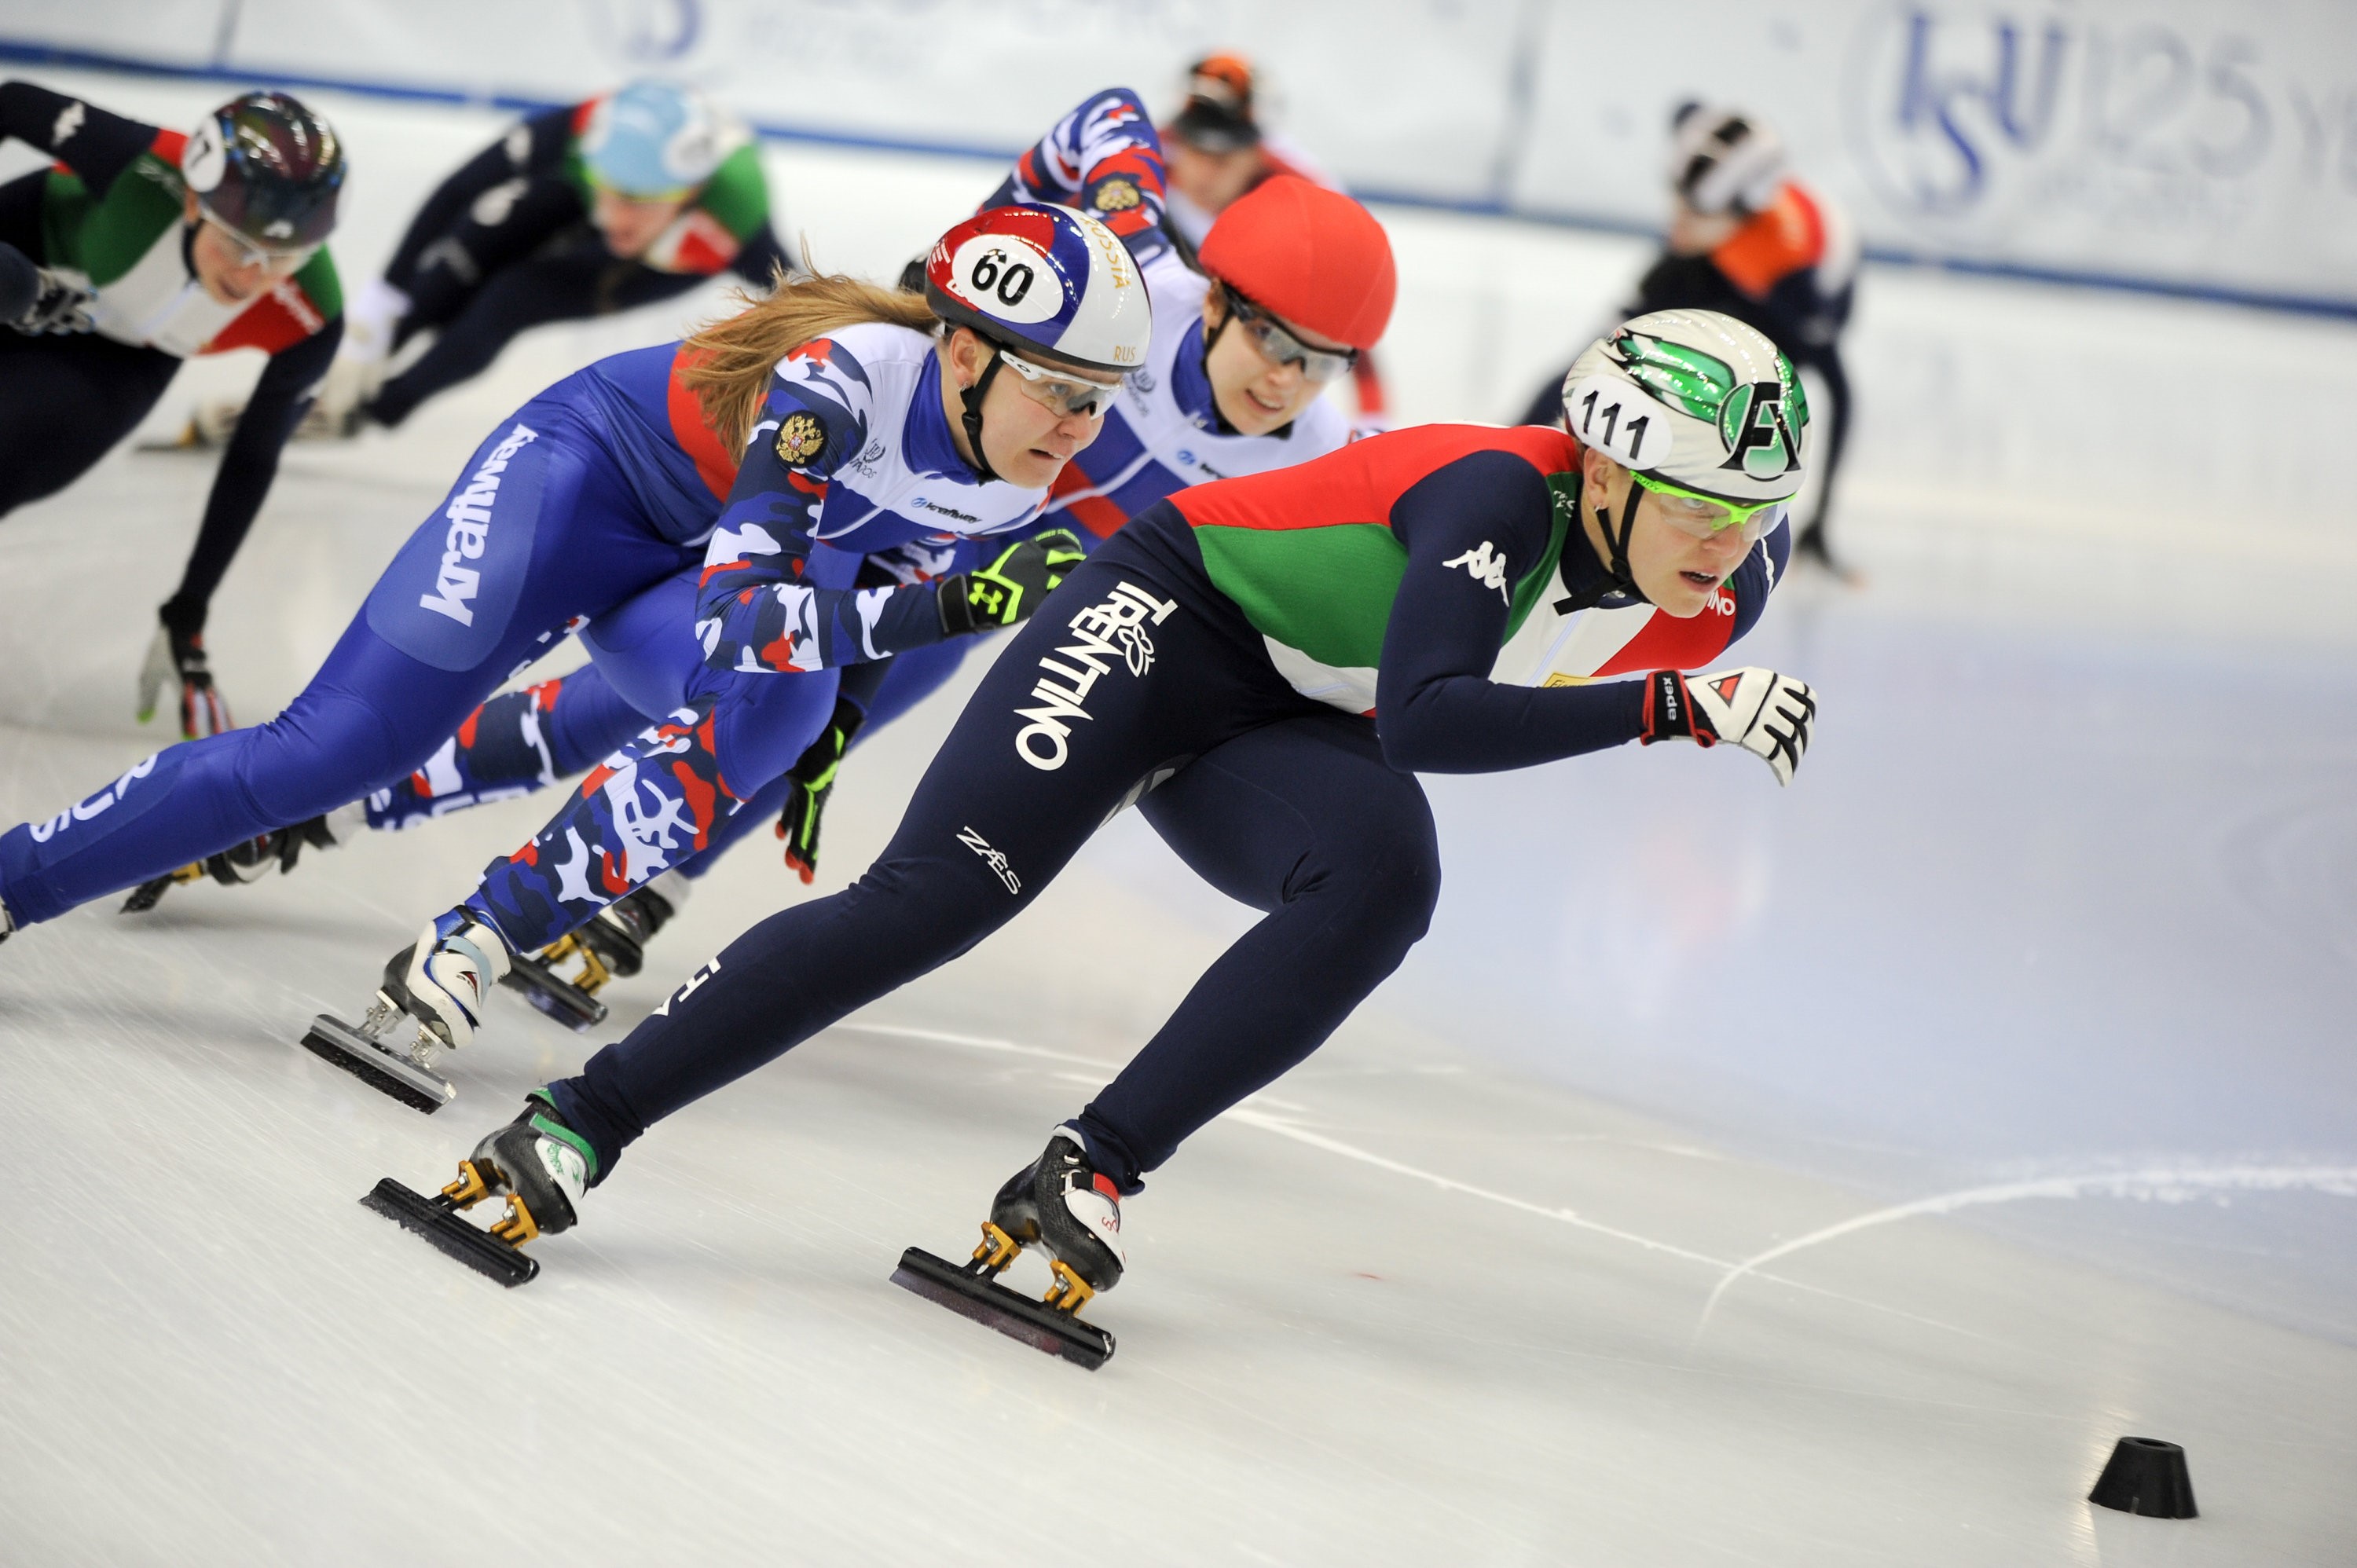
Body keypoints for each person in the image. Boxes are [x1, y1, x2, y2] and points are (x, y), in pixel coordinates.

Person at [401, 308, 1820, 1344]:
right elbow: (1440, 715)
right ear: (1610, 472)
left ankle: (1086, 1170)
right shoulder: (1502, 494)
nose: (1726, 546)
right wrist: (1675, 712)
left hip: (1296, 712)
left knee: (1382, 881)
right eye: (1703, 506)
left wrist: (1677, 682)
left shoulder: (1716, 584)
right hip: (1166, 616)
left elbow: (1417, 724)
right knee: (940, 897)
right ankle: (580, 1121)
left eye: (1757, 515)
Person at [230, 87, 1397, 1055]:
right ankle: (357, 806)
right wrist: (978, 250)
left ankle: (643, 885)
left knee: (793, 747)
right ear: (1222, 301)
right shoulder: (1134, 284)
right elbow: (1102, 117)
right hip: (877, 526)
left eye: (1325, 364)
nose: (1289, 383)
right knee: (647, 704)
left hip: (963, 596)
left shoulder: (1314, 455)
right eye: (1274, 344)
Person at [0, 201, 1135, 1013]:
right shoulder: (841, 384)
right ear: (962, 351)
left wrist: (838, 720)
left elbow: (850, 601)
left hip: (691, 557)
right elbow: (749, 616)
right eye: (1061, 390)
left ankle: (482, 937)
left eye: (1105, 401)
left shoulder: (1010, 475)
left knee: (779, 719)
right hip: (587, 481)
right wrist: (940, 616)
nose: (1080, 428)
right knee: (334, 748)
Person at [0, 79, 346, 738]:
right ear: (192, 198)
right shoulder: (143, 164)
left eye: (282, 259)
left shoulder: (310, 319)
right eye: (238, 244)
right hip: (28, 246)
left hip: (119, 354)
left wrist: (189, 611)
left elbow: (252, 458)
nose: (251, 276)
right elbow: (12, 99)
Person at [1519, 102, 1857, 573]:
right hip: (1721, 259)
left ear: (1741, 215)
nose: (1675, 220)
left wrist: (1821, 518)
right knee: (1605, 352)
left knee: (1737, 389)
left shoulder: (1786, 273)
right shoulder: (1709, 216)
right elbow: (1688, 111)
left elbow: (1839, 388)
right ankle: (1515, 455)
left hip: (1794, 295)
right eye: (1676, 199)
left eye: (1693, 212)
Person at [1158, 53, 1391, 427]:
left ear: (1256, 154)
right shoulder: (1139, 162)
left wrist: (1374, 416)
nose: (1204, 172)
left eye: (1223, 158)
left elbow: (1343, 323)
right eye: (1194, 149)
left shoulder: (1308, 199)